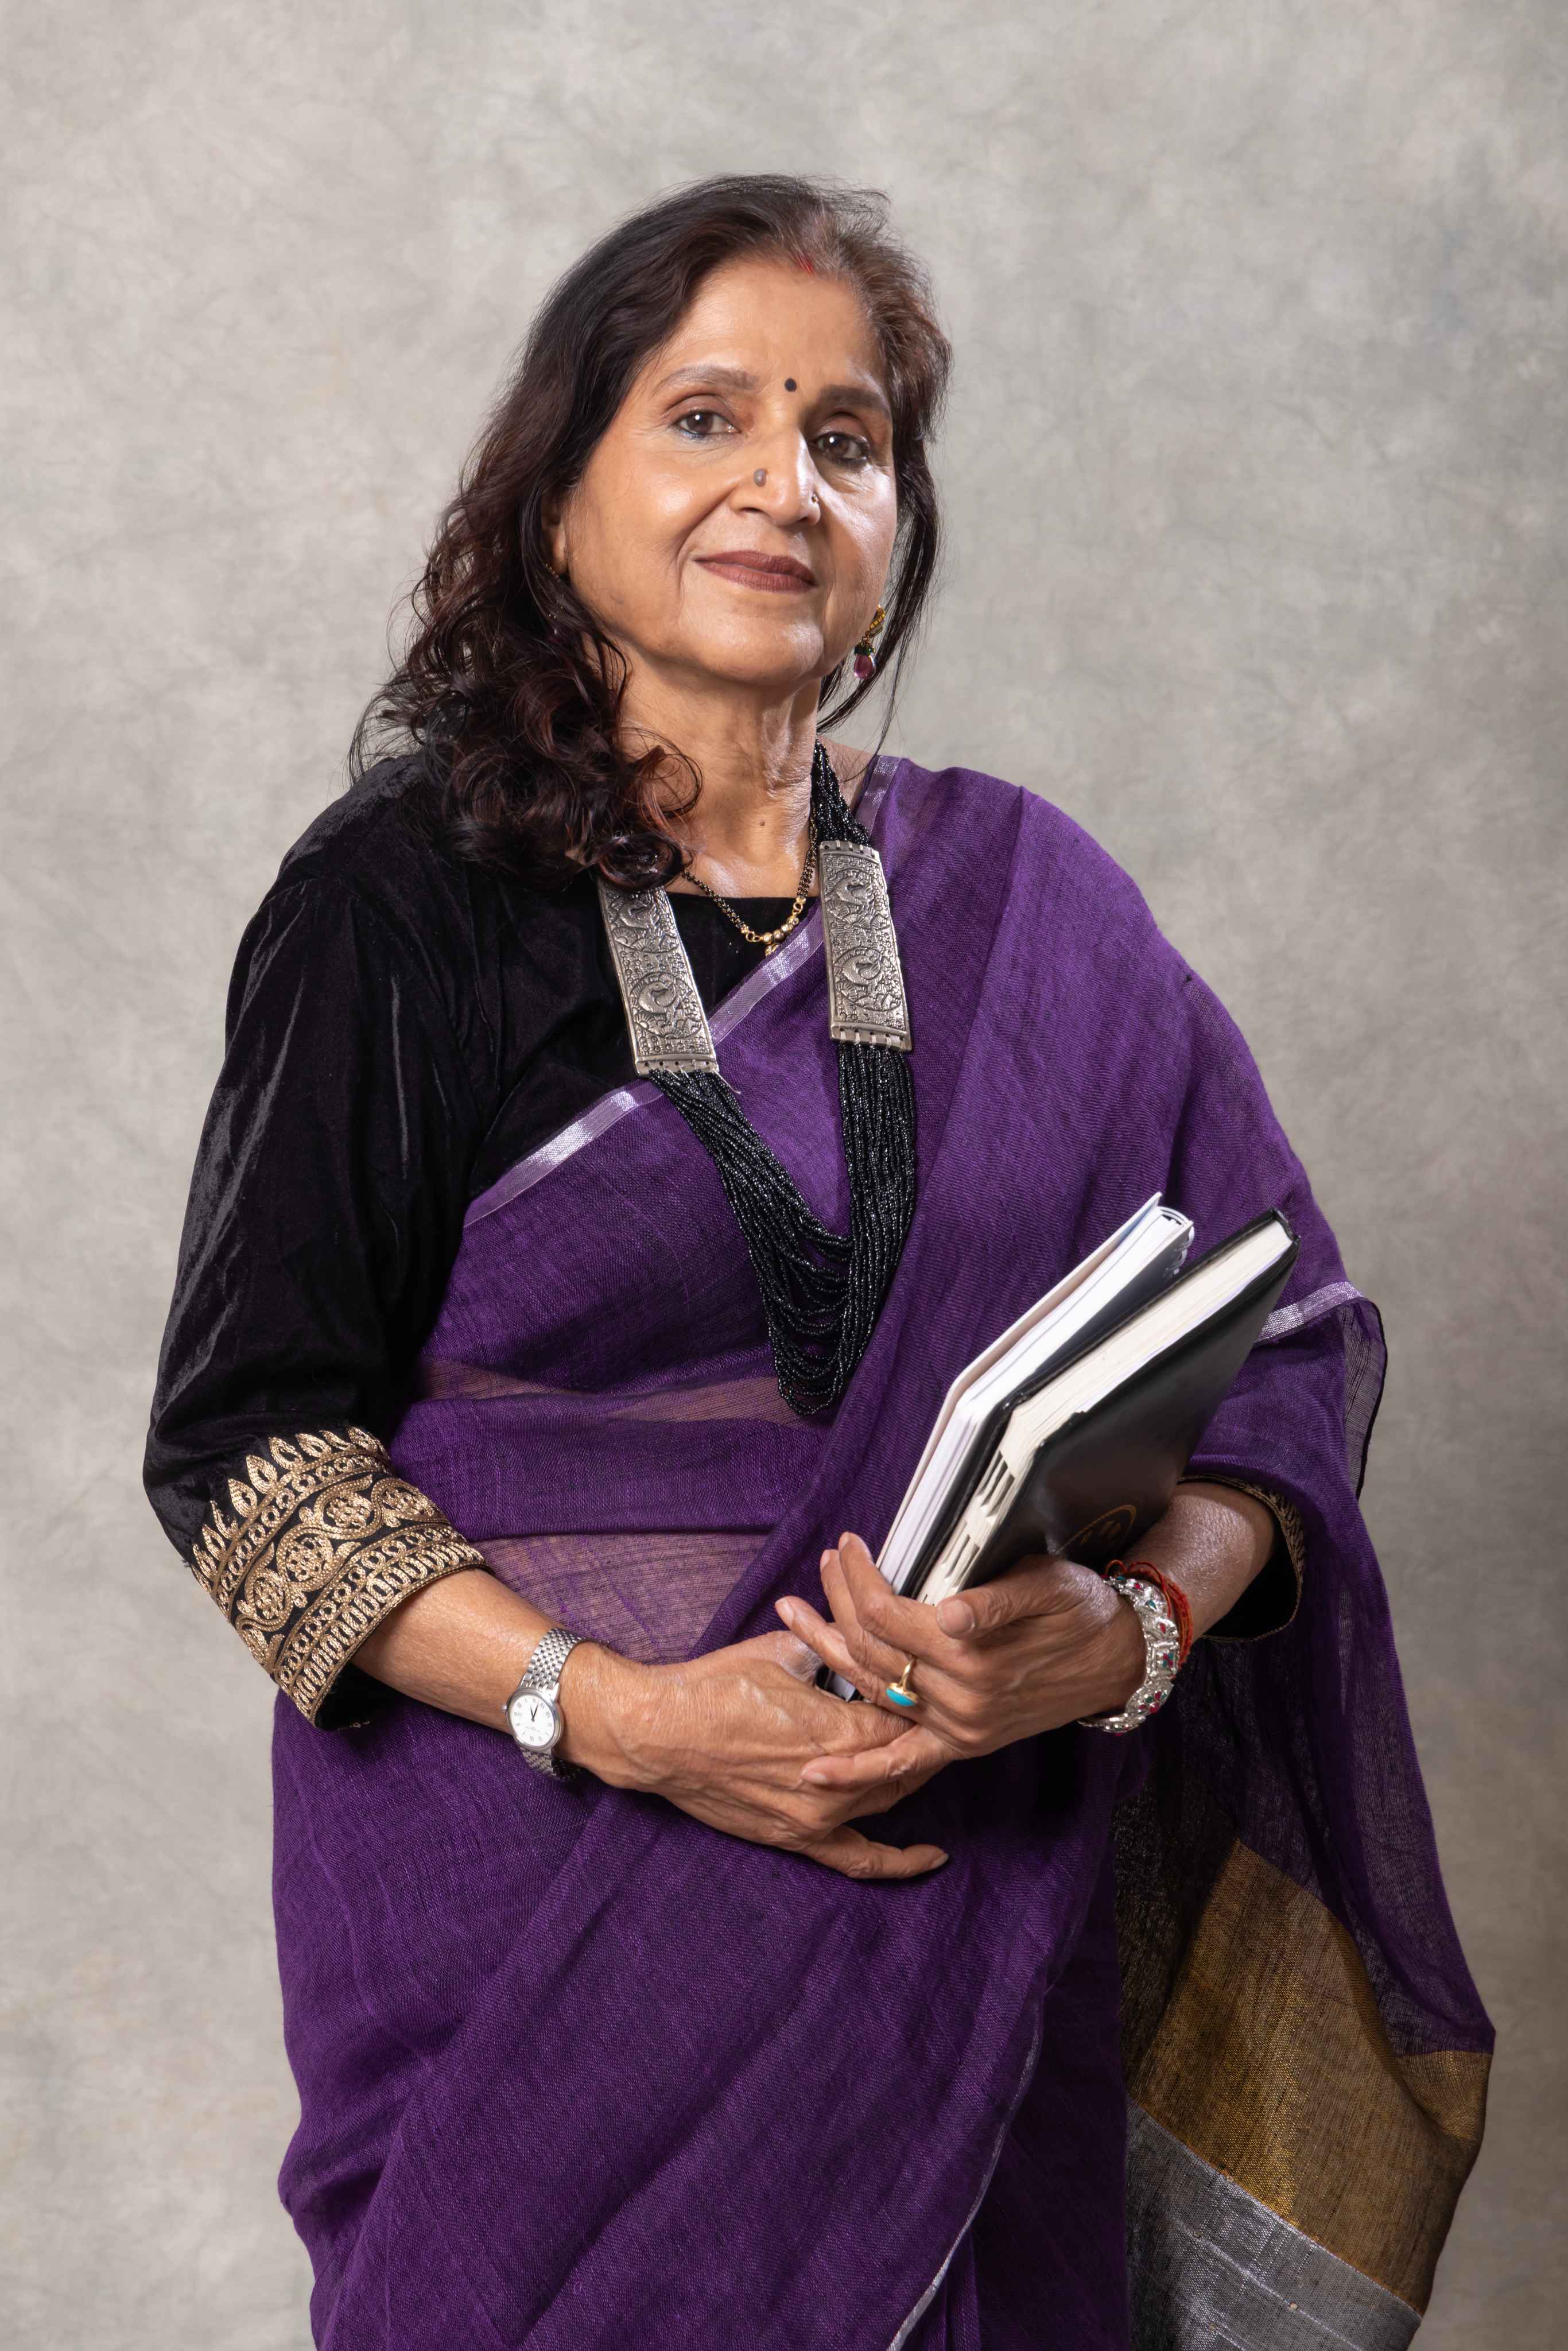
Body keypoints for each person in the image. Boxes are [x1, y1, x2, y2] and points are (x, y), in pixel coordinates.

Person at [143, 175, 1489, 2350]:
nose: (785, 485)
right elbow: (247, 1450)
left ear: (893, 530)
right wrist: (632, 1717)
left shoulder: (1032, 904)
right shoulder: (402, 900)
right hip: (536, 1927)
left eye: (845, 440)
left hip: (962, 1912)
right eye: (704, 418)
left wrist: (1132, 1624)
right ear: (552, 495)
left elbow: (1280, 1351)